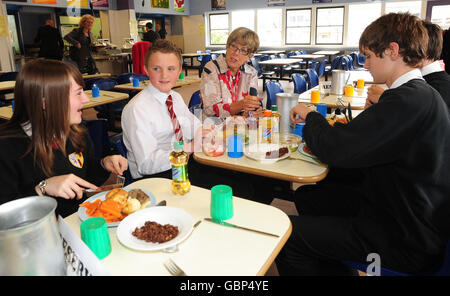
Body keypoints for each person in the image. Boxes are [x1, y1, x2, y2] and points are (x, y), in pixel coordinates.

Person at [275, 13, 450, 275]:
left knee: (286, 235)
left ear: (392, 51)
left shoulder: (407, 100)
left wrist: (311, 116)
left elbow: (337, 149)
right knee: (313, 200)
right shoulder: (420, 93)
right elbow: (360, 140)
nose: (366, 64)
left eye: (369, 56)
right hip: (401, 212)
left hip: (402, 239)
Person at [0, 59, 128, 218]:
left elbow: (86, 179)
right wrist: (42, 188)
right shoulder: (7, 147)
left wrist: (103, 164)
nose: (86, 100)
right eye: (78, 93)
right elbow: (6, 216)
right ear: (45, 102)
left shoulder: (76, 132)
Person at [121, 39, 205, 181]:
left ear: (179, 71)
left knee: (235, 178)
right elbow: (146, 164)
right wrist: (189, 148)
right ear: (146, 70)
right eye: (157, 69)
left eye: (171, 69)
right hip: (155, 175)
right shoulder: (137, 109)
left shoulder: (175, 97)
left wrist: (212, 132)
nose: (164, 75)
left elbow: (194, 127)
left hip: (181, 162)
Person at [365, 20, 450, 111]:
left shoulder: (438, 89)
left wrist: (386, 100)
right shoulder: (421, 81)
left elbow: (415, 120)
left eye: (408, 47)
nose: (397, 53)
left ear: (424, 51)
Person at [200, 27, 262, 120]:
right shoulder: (211, 69)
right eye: (233, 46)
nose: (236, 53)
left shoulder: (251, 73)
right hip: (214, 127)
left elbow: (250, 107)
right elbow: (210, 109)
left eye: (243, 50)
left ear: (249, 56)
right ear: (227, 47)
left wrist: (252, 111)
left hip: (240, 125)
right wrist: (242, 105)